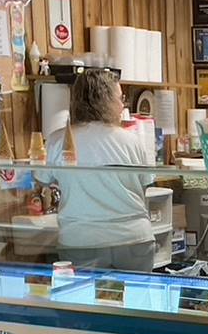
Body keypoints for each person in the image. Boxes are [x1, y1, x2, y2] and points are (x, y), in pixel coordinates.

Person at [41, 69, 156, 272]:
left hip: (81, 240)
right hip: (133, 238)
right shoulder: (132, 141)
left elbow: (42, 180)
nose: (122, 106)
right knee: (135, 301)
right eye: (120, 98)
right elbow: (144, 187)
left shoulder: (58, 140)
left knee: (85, 301)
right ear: (105, 101)